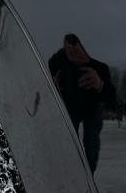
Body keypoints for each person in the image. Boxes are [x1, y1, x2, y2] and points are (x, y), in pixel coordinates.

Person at [49, 34, 115, 173]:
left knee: (91, 145)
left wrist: (99, 84)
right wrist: (51, 82)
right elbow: (46, 76)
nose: (75, 61)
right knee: (68, 142)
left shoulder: (100, 67)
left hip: (93, 106)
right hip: (69, 105)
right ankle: (69, 172)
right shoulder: (57, 61)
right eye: (71, 55)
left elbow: (111, 96)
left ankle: (88, 175)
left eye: (79, 57)